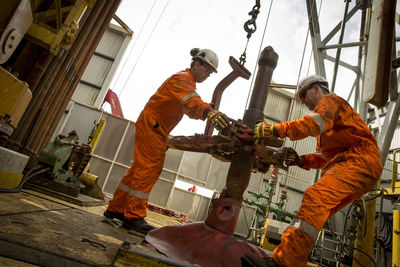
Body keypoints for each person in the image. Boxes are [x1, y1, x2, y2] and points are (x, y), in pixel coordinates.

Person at [245, 75, 382, 267]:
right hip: (356, 164)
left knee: (315, 197)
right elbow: (325, 159)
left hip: (359, 160)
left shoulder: (330, 102)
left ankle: (285, 263)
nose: (304, 103)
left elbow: (312, 124)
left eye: (303, 95)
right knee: (316, 209)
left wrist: (275, 130)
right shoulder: (334, 130)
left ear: (317, 88)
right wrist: (300, 160)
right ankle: (290, 260)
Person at [104, 48, 231, 234]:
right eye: (207, 71)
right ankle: (134, 216)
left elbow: (190, 109)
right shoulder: (182, 79)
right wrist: (208, 111)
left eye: (211, 73)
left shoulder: (187, 84)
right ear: (197, 64)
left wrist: (205, 111)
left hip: (157, 127)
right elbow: (192, 102)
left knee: (139, 169)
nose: (207, 75)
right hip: (153, 124)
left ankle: (115, 209)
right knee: (149, 168)